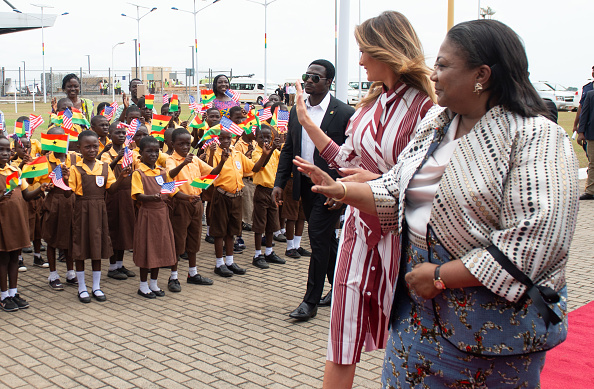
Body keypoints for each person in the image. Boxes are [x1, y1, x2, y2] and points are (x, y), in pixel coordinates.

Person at [293, 19, 579, 387]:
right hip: (417, 316)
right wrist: (342, 191)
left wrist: (443, 277)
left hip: (490, 332)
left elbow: (535, 242)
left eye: (443, 65)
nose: (433, 73)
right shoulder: (438, 125)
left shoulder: (536, 136)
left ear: (482, 75)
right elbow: (393, 190)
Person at [294, 11, 435, 386]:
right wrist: (310, 128)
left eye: (364, 52)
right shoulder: (371, 104)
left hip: (402, 238)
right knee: (342, 334)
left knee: (406, 334)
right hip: (358, 230)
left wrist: (377, 181)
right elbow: (350, 161)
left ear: (386, 50)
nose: (358, 62)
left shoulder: (426, 108)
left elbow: (425, 179)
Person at [272, 59, 355, 322]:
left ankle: (310, 303)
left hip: (331, 189)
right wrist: (278, 183)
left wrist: (344, 192)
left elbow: (352, 157)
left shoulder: (343, 112)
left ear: (328, 82)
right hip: (304, 186)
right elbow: (289, 149)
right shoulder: (297, 110)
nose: (308, 80)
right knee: (326, 240)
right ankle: (340, 288)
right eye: (306, 76)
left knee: (318, 238)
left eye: (315, 77)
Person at [68, 130, 130, 303]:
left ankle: (96, 286)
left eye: (95, 146)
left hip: (99, 211)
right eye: (87, 147)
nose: (92, 150)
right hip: (82, 210)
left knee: (97, 247)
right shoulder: (75, 168)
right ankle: (81, 287)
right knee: (80, 248)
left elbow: (111, 189)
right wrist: (64, 181)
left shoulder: (103, 167)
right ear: (79, 148)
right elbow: (69, 193)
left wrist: (122, 178)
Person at [132, 136, 194, 298]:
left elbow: (172, 191)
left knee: (159, 248)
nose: (153, 154)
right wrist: (152, 197)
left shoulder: (162, 172)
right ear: (141, 152)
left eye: (156, 151)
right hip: (147, 214)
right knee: (148, 249)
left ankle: (154, 283)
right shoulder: (138, 173)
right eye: (149, 151)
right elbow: (138, 195)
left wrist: (187, 197)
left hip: (162, 214)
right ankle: (143, 285)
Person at [210, 128, 272, 277]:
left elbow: (254, 168)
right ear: (217, 140)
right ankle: (219, 264)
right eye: (222, 139)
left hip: (236, 196)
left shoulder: (237, 154)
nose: (225, 141)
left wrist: (264, 155)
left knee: (232, 230)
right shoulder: (215, 154)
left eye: (228, 138)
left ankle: (230, 262)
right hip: (221, 195)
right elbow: (210, 174)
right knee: (220, 231)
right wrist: (217, 157)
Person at [0, 136, 50, 311]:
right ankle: (3, 295)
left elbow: (26, 195)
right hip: (2, 221)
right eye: (1, 150)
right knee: (3, 258)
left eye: (7, 150)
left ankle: (13, 292)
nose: (5, 153)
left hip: (16, 220)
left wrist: (40, 189)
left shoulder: (13, 170)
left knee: (14, 257)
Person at [166, 128, 219, 292]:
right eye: (180, 144)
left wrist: (222, 161)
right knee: (178, 240)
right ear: (173, 144)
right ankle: (173, 276)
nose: (185, 147)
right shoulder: (171, 160)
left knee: (194, 239)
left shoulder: (195, 159)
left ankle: (192, 273)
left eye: (188, 144)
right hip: (180, 203)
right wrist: (183, 163)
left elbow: (212, 172)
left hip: (196, 202)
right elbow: (168, 179)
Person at [35, 127, 79, 290]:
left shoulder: (73, 158)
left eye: (63, 138)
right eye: (55, 139)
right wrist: (44, 186)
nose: (60, 142)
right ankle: (53, 274)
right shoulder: (45, 160)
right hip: (53, 201)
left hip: (71, 201)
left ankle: (70, 272)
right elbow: (35, 181)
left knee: (70, 238)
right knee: (52, 238)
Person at [101, 122, 137, 281]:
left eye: (124, 133)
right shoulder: (106, 153)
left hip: (127, 194)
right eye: (118, 133)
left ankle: (120, 264)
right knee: (114, 230)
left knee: (124, 230)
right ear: (110, 135)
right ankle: (112, 266)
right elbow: (105, 169)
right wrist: (117, 158)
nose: (122, 136)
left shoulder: (130, 152)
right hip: (113, 195)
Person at [250, 124, 284, 269]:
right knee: (260, 225)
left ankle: (269, 252)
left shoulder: (275, 152)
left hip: (273, 191)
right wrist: (268, 152)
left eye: (268, 138)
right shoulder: (257, 152)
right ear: (255, 138)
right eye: (261, 137)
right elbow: (258, 167)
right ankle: (258, 254)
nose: (265, 140)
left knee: (272, 223)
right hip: (262, 191)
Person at [578, 89, 594, 200]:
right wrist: (581, 132)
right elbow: (584, 114)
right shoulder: (590, 94)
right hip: (592, 135)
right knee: (593, 163)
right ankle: (590, 191)